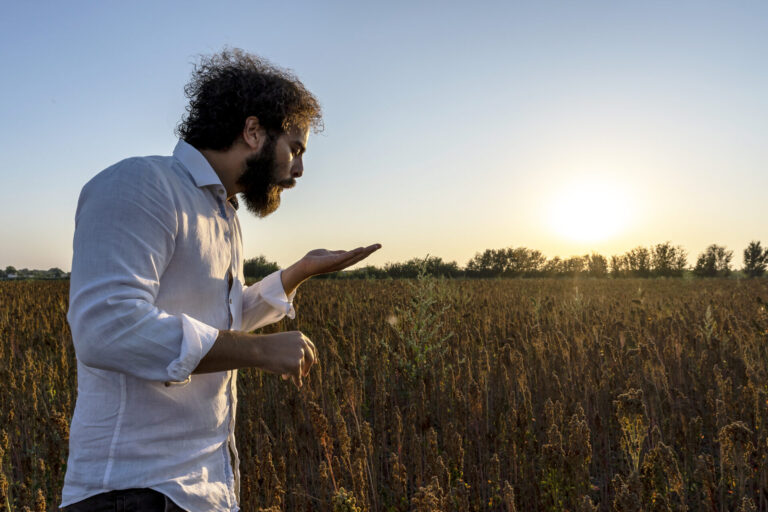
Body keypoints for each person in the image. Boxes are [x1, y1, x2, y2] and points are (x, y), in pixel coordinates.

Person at [60, 49, 380, 511]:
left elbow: (212, 324)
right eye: (295, 147)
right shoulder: (140, 183)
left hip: (200, 488)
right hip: (134, 491)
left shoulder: (221, 211)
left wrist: (298, 272)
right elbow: (107, 329)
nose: (299, 169)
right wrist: (260, 351)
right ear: (253, 132)